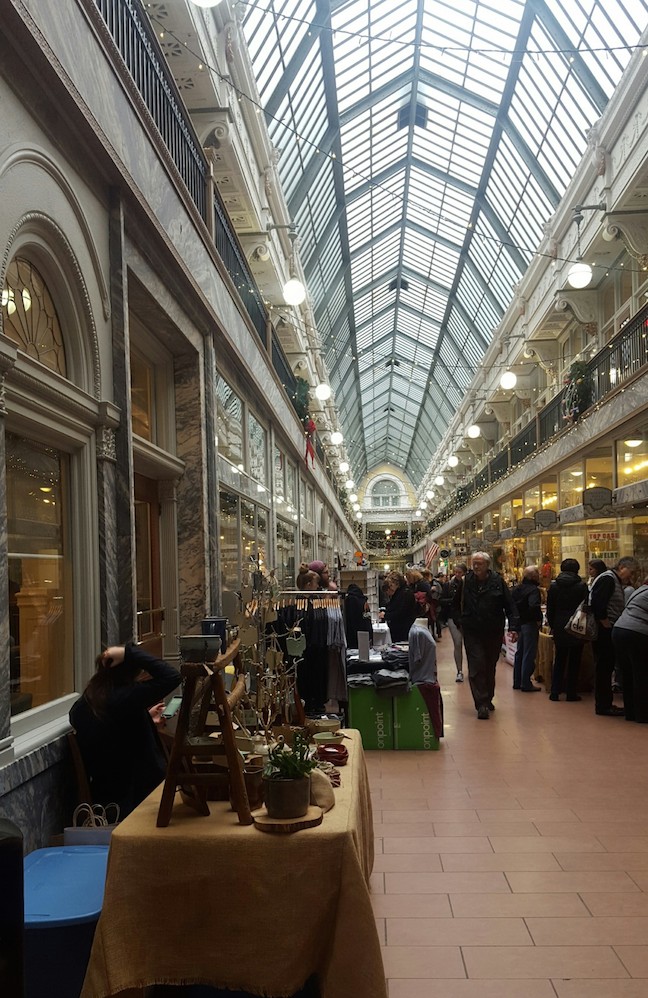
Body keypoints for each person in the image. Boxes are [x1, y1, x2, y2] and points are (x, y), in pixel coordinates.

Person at [69, 643, 181, 818]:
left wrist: (144, 718)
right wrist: (129, 653)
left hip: (106, 792)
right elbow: (172, 676)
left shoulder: (87, 702)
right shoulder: (126, 697)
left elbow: (113, 730)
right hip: (138, 795)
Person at [453, 551, 519, 719]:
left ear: (487, 565)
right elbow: (455, 604)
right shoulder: (466, 582)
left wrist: (513, 627)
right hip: (472, 630)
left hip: (493, 630)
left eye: (479, 563)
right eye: (474, 563)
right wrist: (460, 622)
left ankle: (488, 697)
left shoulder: (498, 582)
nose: (475, 566)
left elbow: (509, 605)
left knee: (489, 665)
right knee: (476, 665)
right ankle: (481, 703)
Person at [590, 556, 640, 716]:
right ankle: (603, 704)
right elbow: (598, 603)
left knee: (607, 666)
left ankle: (605, 702)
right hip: (605, 630)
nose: (630, 577)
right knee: (604, 667)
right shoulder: (609, 579)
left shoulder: (614, 581)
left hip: (609, 627)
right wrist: (605, 623)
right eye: (630, 572)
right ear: (622, 567)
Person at [546, 558, 589, 702]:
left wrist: (553, 625)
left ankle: (555, 691)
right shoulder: (581, 586)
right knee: (575, 660)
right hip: (576, 624)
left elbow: (550, 609)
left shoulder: (554, 586)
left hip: (559, 624)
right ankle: (571, 692)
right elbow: (585, 608)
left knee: (560, 659)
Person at [612, 578, 648, 723]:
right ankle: (643, 714)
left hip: (619, 630)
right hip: (637, 633)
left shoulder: (639, 591)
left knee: (627, 673)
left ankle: (630, 712)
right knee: (642, 674)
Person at [511, 565, 543, 692]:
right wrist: (537, 618)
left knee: (520, 652)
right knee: (529, 653)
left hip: (519, 622)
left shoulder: (517, 589)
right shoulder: (533, 590)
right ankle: (526, 682)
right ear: (533, 576)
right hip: (529, 623)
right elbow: (534, 606)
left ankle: (517, 681)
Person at [382, 570, 417, 642]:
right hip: (399, 627)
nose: (391, 587)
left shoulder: (405, 593)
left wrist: (386, 615)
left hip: (403, 628)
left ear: (396, 583)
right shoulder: (401, 592)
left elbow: (400, 612)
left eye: (391, 584)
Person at [446, 564, 467, 682]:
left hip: (467, 618)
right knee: (458, 643)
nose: (458, 575)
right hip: (453, 618)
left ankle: (473, 668)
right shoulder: (449, 585)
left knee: (470, 645)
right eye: (456, 572)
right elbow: (442, 600)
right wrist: (453, 601)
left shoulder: (469, 584)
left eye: (460, 572)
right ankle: (459, 670)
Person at [344, 582, 372, 648]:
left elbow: (351, 619)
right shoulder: (364, 601)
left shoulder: (349, 600)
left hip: (353, 634)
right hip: (364, 632)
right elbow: (367, 617)